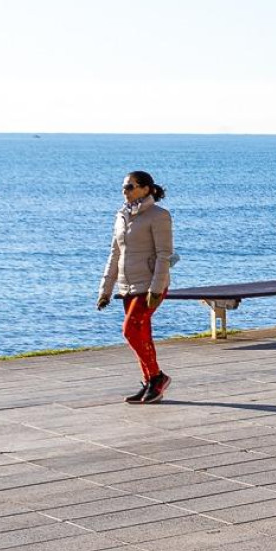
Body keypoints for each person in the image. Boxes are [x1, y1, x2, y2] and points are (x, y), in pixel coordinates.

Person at [98, 170, 175, 404]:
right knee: (142, 335)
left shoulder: (158, 215)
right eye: (124, 187)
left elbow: (164, 255)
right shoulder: (121, 216)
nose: (125, 191)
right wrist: (105, 290)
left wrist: (156, 288)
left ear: (146, 189)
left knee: (130, 330)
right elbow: (115, 253)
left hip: (150, 285)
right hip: (127, 286)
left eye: (130, 186)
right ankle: (150, 383)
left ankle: (157, 377)